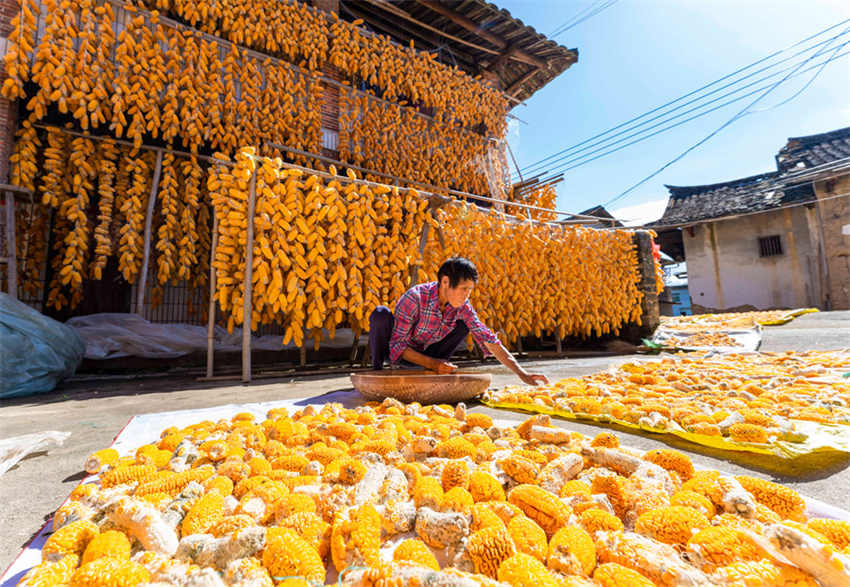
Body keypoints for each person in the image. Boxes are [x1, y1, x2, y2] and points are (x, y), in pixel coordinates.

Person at [369, 256, 549, 386]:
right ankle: (375, 372)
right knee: (380, 314)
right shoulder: (415, 298)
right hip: (399, 353)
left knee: (464, 324)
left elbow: (488, 338)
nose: (467, 295)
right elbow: (398, 345)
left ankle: (437, 369)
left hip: (430, 353)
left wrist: (522, 374)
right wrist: (433, 364)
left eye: (470, 290)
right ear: (445, 282)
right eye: (464, 289)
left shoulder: (463, 306)